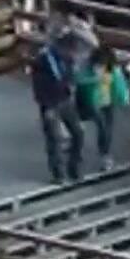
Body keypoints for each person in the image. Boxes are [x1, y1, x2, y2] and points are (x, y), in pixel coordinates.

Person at [31, 26, 85, 184]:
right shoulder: (43, 60)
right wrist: (46, 106)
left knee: (78, 133)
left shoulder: (68, 58)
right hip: (50, 103)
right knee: (54, 138)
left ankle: (74, 169)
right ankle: (58, 174)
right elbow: (38, 85)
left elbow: (71, 76)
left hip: (66, 99)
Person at [77, 44, 130, 172]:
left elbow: (120, 85)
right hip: (91, 101)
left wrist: (124, 99)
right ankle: (78, 149)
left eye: (102, 66)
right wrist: (93, 79)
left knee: (106, 129)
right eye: (97, 65)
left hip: (107, 101)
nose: (99, 69)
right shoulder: (86, 65)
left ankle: (105, 156)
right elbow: (78, 79)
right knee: (95, 125)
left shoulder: (113, 70)